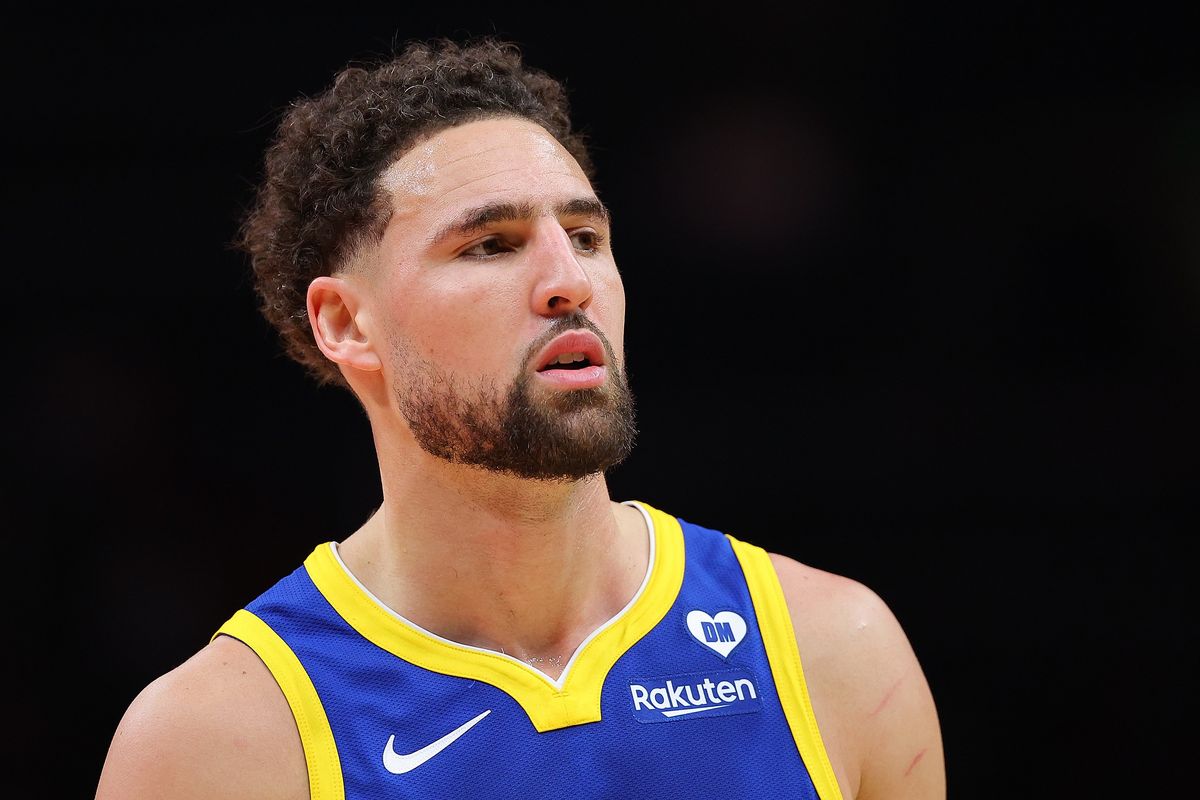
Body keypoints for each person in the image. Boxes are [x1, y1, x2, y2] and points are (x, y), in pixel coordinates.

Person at [95, 36, 944, 800]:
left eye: (585, 236)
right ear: (347, 323)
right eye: (490, 245)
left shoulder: (832, 652)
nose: (567, 281)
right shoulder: (221, 741)